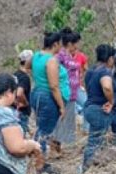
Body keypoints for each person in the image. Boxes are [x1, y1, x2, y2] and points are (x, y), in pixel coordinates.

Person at [81, 44, 116, 174]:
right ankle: (86, 169)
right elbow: (107, 87)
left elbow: (88, 88)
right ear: (110, 58)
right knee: (94, 141)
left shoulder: (91, 71)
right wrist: (111, 102)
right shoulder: (104, 72)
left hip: (94, 108)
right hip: (100, 111)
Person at [30, 31, 69, 162]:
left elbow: (30, 67)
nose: (61, 48)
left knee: (41, 127)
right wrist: (61, 106)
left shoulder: (36, 56)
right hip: (47, 97)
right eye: (60, 45)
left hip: (37, 93)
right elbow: (54, 86)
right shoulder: (51, 60)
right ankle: (39, 161)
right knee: (45, 131)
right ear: (55, 44)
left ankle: (36, 154)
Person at [53, 28, 82, 155]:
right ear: (70, 43)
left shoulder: (70, 55)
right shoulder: (60, 55)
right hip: (64, 92)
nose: (77, 46)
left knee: (68, 119)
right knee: (61, 119)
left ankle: (60, 145)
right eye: (75, 43)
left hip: (73, 92)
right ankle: (55, 144)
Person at [14, 50, 33, 136]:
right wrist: (25, 103)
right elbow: (19, 93)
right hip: (22, 112)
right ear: (28, 61)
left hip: (15, 110)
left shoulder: (15, 74)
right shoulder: (24, 77)